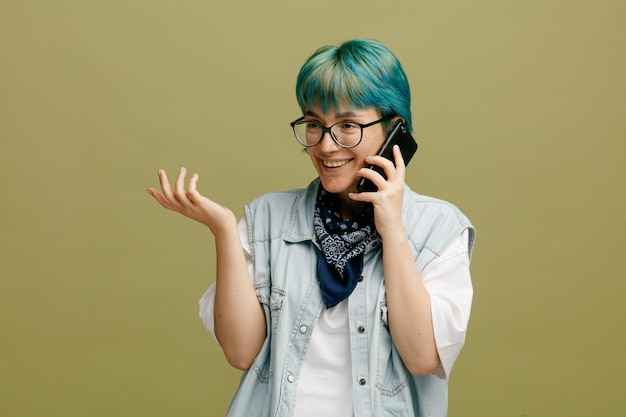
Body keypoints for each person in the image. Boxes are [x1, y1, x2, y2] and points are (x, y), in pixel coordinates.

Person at [147, 38, 475, 417]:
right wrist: (223, 230)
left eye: (348, 125)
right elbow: (240, 352)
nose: (325, 146)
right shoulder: (267, 219)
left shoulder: (440, 229)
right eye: (314, 124)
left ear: (395, 130)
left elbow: (422, 357)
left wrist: (393, 231)